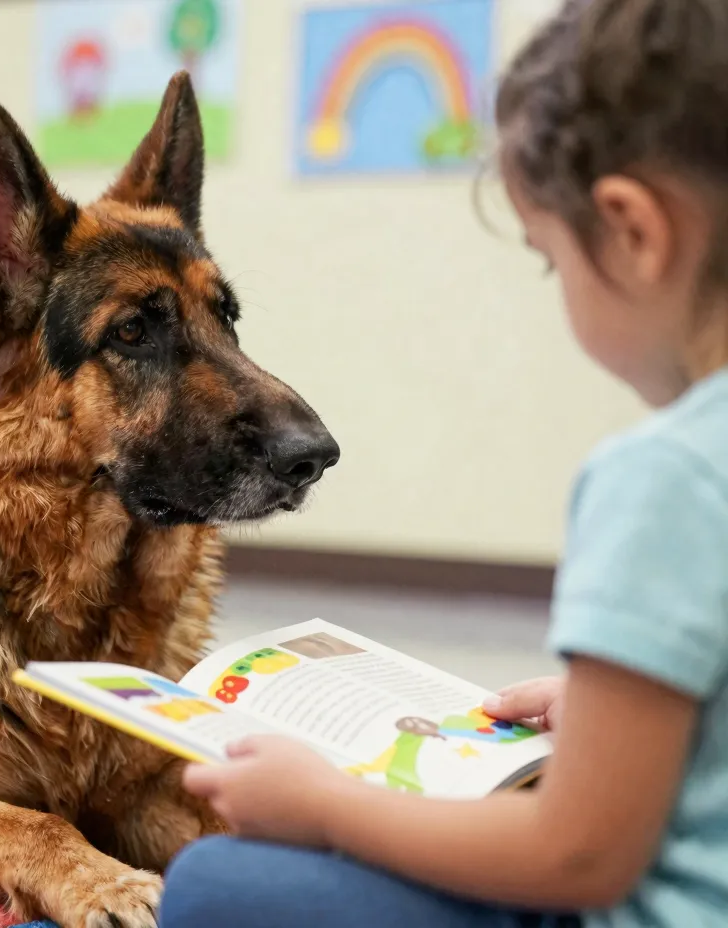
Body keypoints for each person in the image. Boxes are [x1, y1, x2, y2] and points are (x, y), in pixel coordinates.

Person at [160, 1, 728, 926]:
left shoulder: (662, 478)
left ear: (633, 231)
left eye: (550, 261)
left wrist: (328, 807)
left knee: (209, 885)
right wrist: (617, 709)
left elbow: (577, 855)